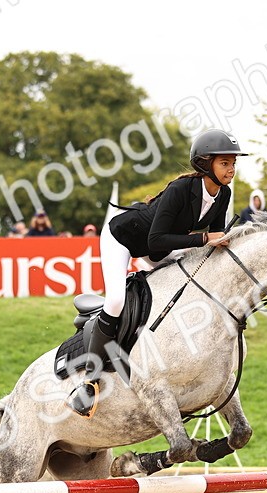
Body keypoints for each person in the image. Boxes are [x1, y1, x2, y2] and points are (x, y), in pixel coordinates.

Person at [66, 128, 247, 418]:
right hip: (123, 239)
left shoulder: (222, 194)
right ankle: (90, 380)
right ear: (205, 163)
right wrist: (203, 240)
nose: (231, 169)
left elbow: (214, 237)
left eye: (233, 163)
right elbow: (156, 241)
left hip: (160, 248)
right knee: (115, 301)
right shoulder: (180, 190)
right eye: (224, 163)